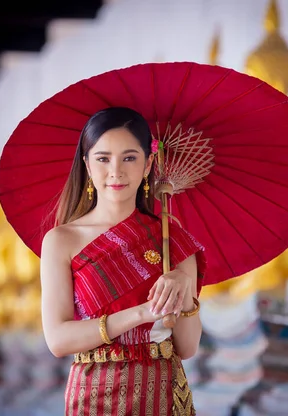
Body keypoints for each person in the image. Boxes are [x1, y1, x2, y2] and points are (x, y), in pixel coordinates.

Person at [39, 107, 207, 415]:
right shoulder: (61, 240)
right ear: (87, 164)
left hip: (161, 395)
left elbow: (188, 346)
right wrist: (141, 313)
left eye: (129, 157)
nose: (116, 170)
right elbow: (58, 339)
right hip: (92, 395)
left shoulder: (170, 237)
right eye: (103, 158)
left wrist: (184, 289)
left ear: (148, 164)